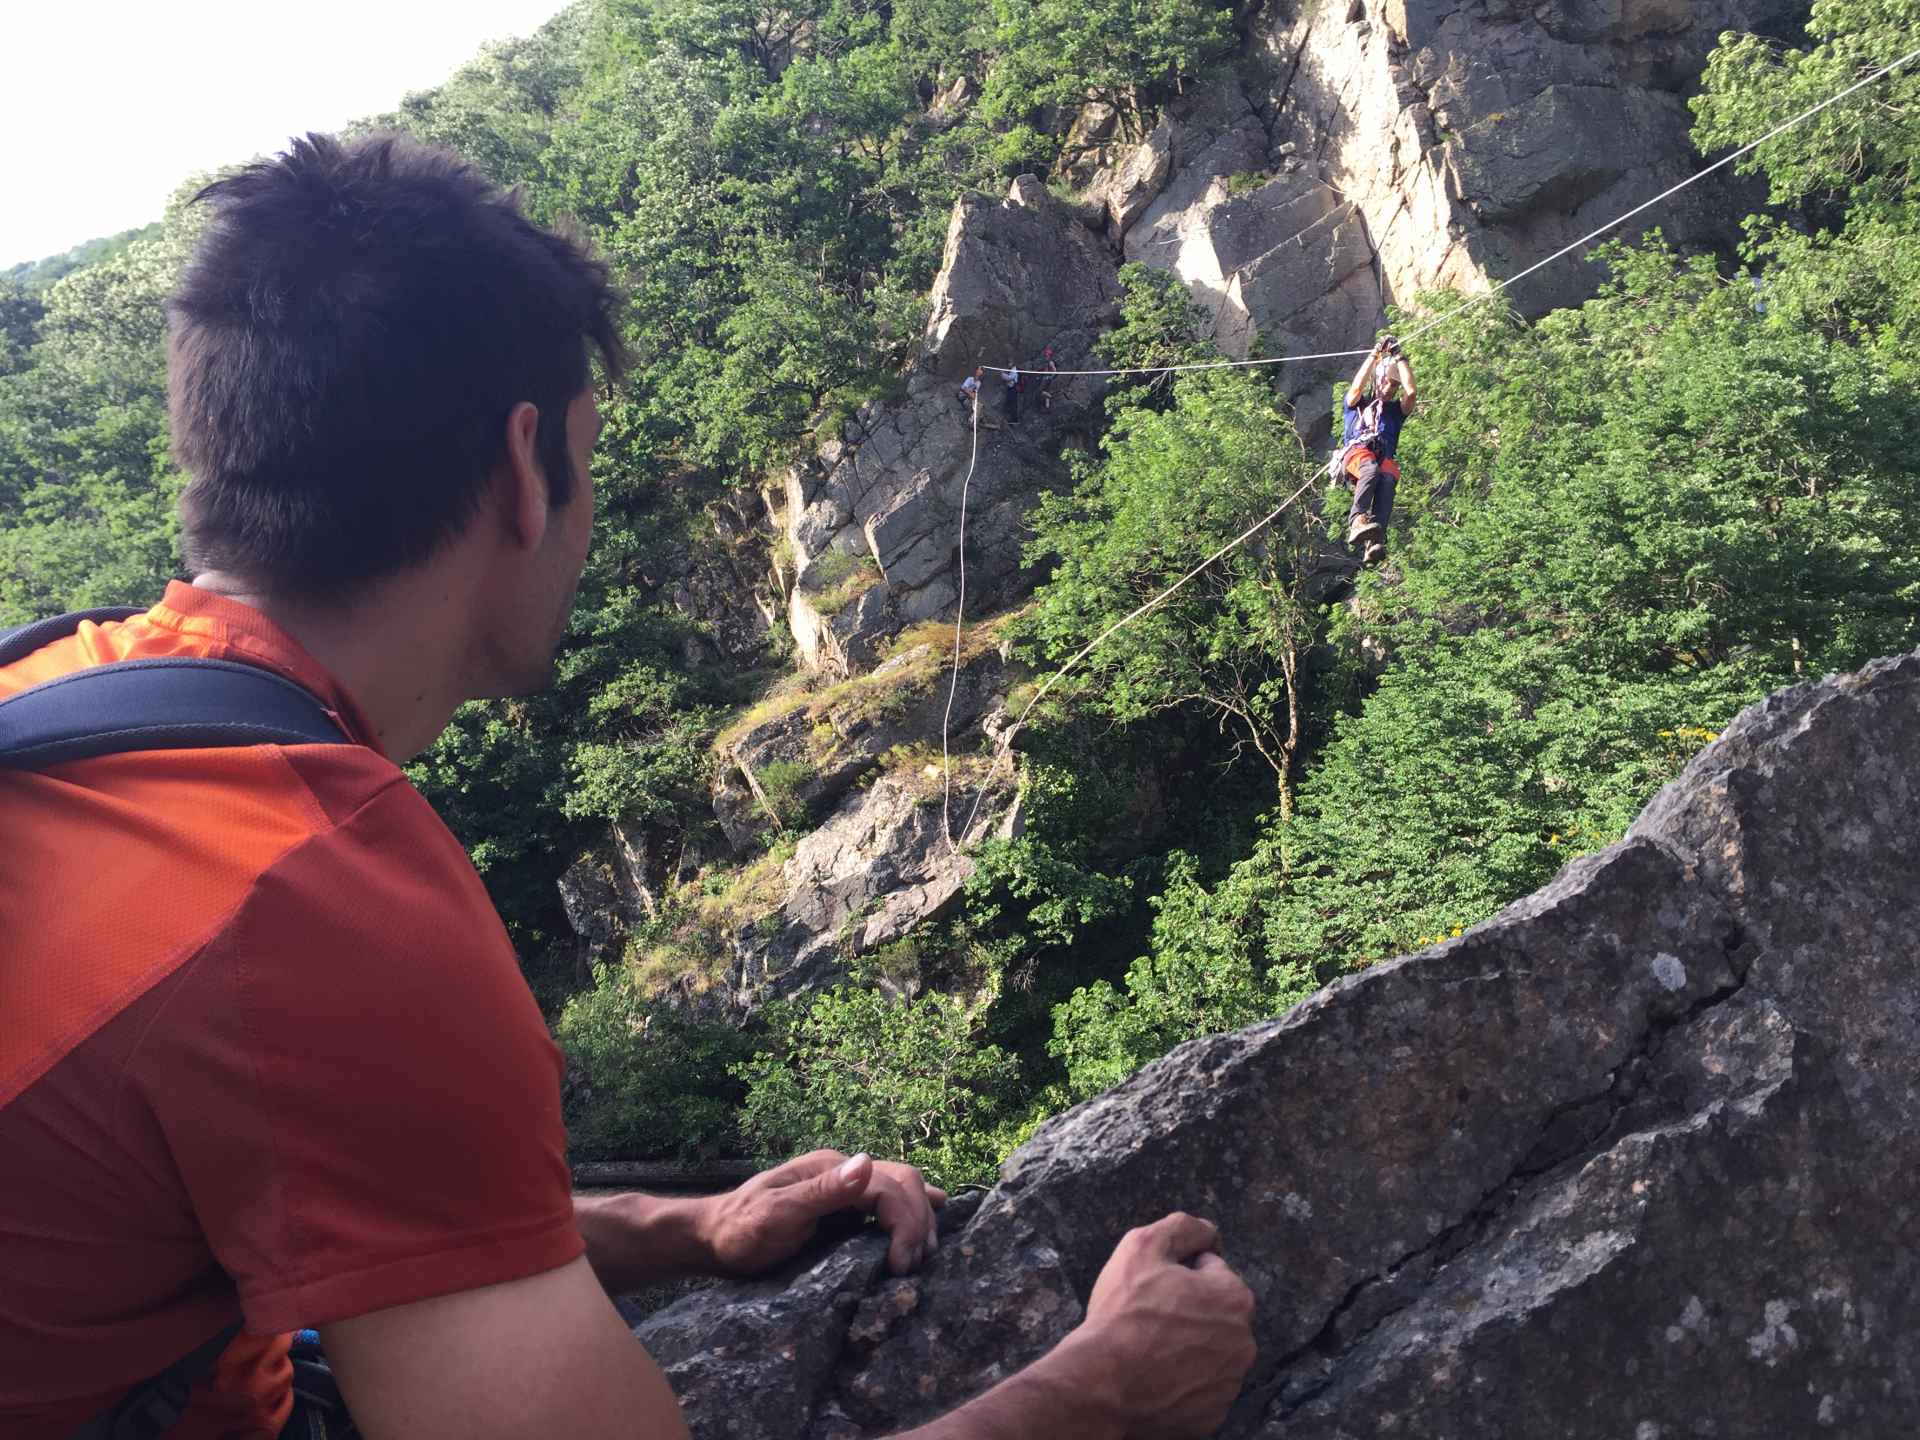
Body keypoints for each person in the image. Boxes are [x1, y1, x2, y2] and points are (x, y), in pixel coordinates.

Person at [0, 134, 1257, 1440]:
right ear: (526, 468)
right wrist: (1105, 1391)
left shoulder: (57, 692)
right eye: (592, 469)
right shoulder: (313, 904)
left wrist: (683, 1228)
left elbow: (279, 1185)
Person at [1337, 336, 1416, 566]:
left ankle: (1375, 540)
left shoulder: (1395, 412)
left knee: (1388, 478)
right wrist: (1375, 355)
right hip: (1357, 453)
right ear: (1378, 381)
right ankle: (1357, 520)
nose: (1390, 387)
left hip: (1382, 457)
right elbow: (1356, 387)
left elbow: (1411, 393)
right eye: (1388, 382)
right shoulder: (1357, 405)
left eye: (1394, 384)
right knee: (1370, 469)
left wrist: (1400, 356)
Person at [1040, 346, 1059, 412]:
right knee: (1046, 393)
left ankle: (1052, 397)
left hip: (1047, 380)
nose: (1045, 357)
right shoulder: (1046, 362)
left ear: (1049, 356)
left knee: (1041, 392)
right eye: (1045, 355)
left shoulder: (1050, 362)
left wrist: (1050, 377)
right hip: (1045, 379)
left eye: (1046, 355)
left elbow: (1055, 371)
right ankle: (1047, 407)